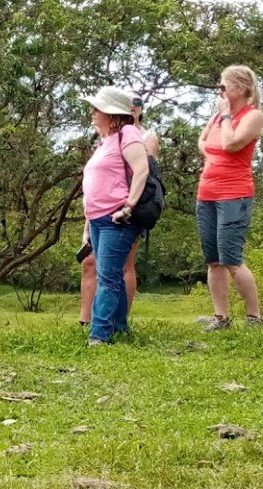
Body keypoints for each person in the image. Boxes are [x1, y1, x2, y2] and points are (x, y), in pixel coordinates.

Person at [79, 90, 160, 325]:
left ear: (111, 114)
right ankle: (119, 327)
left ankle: (99, 332)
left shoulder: (130, 134)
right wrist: (87, 224)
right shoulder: (105, 142)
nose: (92, 113)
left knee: (110, 276)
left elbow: (142, 170)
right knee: (104, 271)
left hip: (118, 217)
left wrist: (128, 206)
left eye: (97, 109)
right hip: (98, 217)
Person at [196, 65, 263, 330]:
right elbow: (202, 142)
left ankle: (254, 317)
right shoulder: (215, 118)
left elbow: (231, 144)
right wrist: (211, 154)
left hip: (234, 195)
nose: (219, 91)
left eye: (224, 86)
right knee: (213, 260)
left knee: (231, 259)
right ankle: (221, 317)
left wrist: (225, 117)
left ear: (241, 88)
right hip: (207, 194)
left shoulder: (252, 116)